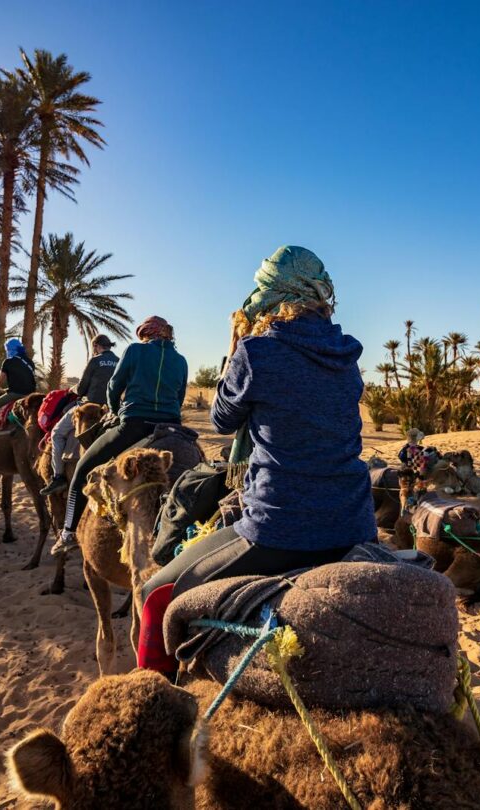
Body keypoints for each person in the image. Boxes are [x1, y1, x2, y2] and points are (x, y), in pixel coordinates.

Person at [137, 245, 378, 675]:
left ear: (268, 296)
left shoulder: (257, 351)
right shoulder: (348, 356)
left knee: (155, 596)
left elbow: (223, 419)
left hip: (279, 525)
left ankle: (155, 702)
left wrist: (235, 350)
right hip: (353, 523)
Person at [50, 316, 188, 555]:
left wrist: (115, 411)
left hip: (134, 424)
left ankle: (68, 533)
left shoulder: (135, 350)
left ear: (145, 334)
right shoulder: (181, 360)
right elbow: (180, 397)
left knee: (83, 469)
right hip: (171, 427)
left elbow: (114, 386)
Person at [40, 335, 119, 497]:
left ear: (96, 346)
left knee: (56, 433)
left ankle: (58, 476)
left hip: (89, 407)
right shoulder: (119, 361)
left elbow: (82, 389)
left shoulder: (95, 361)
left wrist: (72, 390)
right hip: (111, 410)